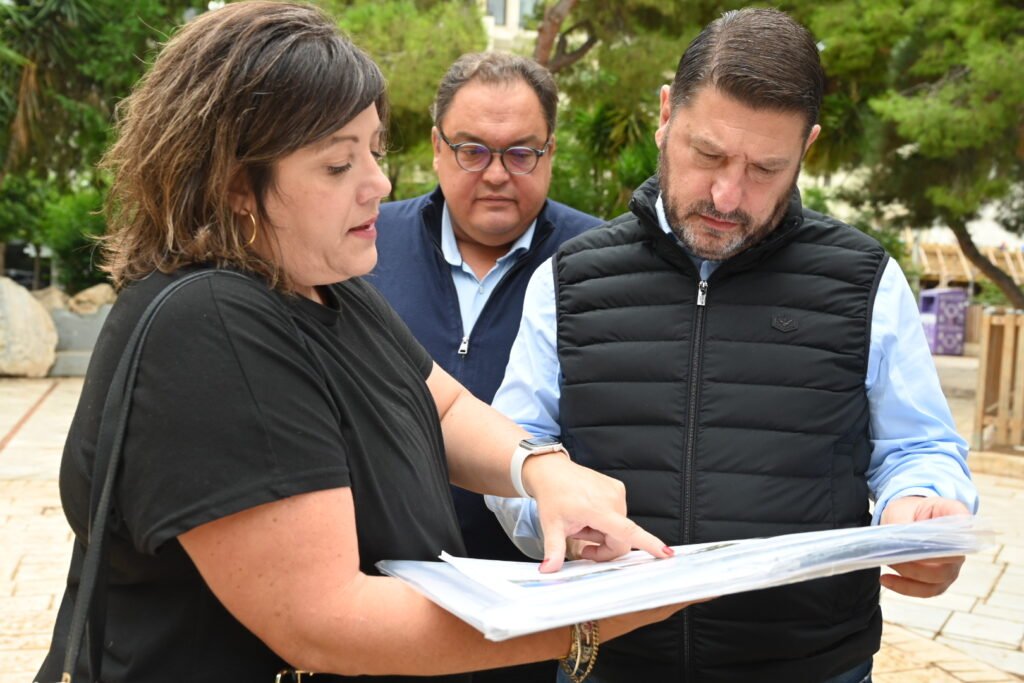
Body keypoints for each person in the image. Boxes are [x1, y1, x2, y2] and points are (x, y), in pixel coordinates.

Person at [34, 4, 695, 681]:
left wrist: (542, 470)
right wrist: (585, 616)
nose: (379, 185)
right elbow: (326, 620)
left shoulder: (325, 285)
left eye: (374, 152)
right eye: (337, 165)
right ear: (236, 183)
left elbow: (441, 407)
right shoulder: (213, 325)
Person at [487, 8, 979, 683]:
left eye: (765, 168)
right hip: (608, 663)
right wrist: (549, 516)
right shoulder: (570, 279)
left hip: (813, 668)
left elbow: (918, 447)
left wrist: (920, 509)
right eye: (708, 154)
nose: (726, 195)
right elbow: (512, 453)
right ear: (667, 114)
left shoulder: (865, 279)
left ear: (806, 148)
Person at [370, 53, 600, 569]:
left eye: (520, 153)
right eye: (472, 151)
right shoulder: (366, 246)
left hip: (538, 585)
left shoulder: (598, 264)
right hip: (383, 576)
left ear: (550, 152)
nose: (496, 174)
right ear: (437, 147)